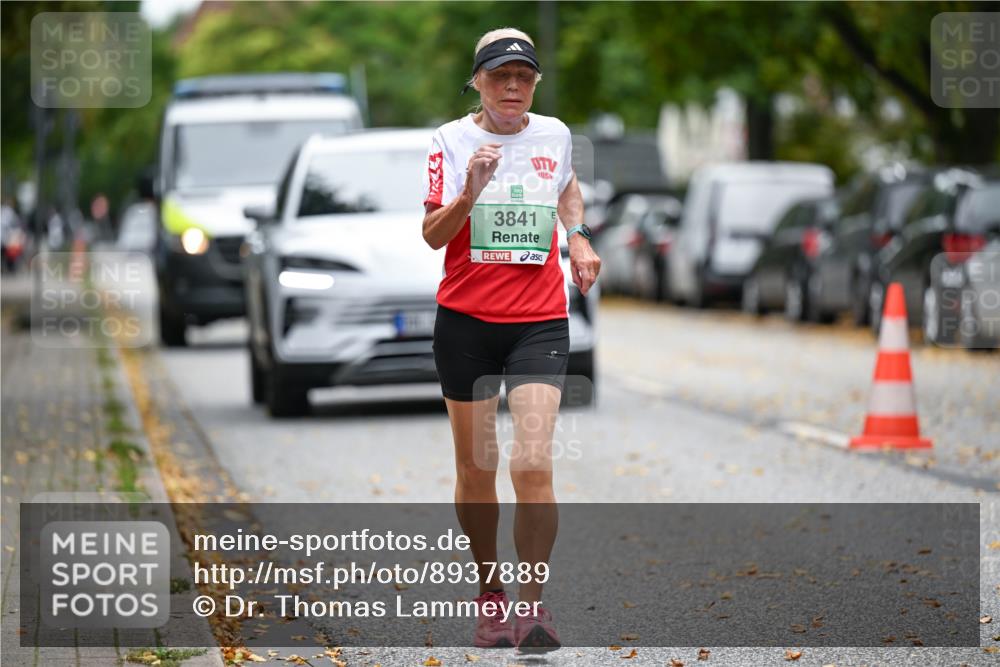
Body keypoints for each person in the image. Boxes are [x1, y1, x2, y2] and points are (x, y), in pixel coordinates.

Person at [420, 27, 600, 652]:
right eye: (501, 76)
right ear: (478, 81)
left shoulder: (554, 133)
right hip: (466, 321)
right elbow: (432, 236)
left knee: (531, 463)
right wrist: (470, 191)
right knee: (476, 469)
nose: (514, 86)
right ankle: (490, 593)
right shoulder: (450, 140)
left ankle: (532, 606)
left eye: (524, 75)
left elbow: (567, 187)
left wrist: (577, 236)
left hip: (538, 320)